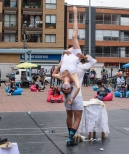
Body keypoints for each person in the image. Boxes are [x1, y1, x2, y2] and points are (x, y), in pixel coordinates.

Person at [53, 6, 97, 147]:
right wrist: (85, 56)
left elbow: (54, 73)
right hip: (74, 96)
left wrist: (62, 60)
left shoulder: (67, 65)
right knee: (77, 117)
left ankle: (70, 137)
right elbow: (93, 61)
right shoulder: (81, 66)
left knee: (69, 116)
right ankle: (70, 138)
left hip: (68, 96)